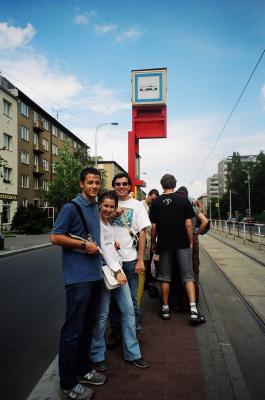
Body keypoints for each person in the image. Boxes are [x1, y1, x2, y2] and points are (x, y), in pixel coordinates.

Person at [50, 167, 106, 400]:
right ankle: (67, 384)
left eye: (97, 183)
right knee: (72, 332)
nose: (94, 186)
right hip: (78, 279)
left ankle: (83, 370)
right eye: (90, 182)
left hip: (94, 277)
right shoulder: (71, 208)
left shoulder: (95, 207)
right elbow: (55, 236)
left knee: (87, 327)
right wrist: (84, 246)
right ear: (81, 184)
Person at [90, 190, 150, 369]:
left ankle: (132, 353)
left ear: (116, 208)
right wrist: (117, 271)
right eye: (105, 206)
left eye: (112, 207)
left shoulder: (107, 223)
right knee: (102, 316)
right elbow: (103, 250)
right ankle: (97, 356)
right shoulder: (96, 222)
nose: (108, 209)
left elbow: (108, 246)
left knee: (129, 310)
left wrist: (113, 244)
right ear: (99, 204)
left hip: (116, 270)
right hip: (106, 272)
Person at [150, 174, 205, 324]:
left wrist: (155, 242)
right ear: (175, 184)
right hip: (182, 244)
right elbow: (188, 224)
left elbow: (153, 227)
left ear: (162, 185)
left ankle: (166, 309)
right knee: (188, 276)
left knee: (165, 277)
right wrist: (190, 241)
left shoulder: (156, 202)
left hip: (164, 244)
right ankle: (193, 311)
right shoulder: (183, 201)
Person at [107, 172, 151, 346]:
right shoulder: (109, 204)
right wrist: (112, 215)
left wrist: (140, 259)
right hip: (112, 261)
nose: (121, 187)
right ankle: (116, 332)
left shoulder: (137, 205)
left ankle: (134, 331)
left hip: (130, 259)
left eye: (124, 183)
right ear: (113, 186)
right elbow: (101, 224)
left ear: (130, 186)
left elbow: (142, 233)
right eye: (117, 184)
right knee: (112, 300)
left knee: (132, 300)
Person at [175, 186, 209, 309]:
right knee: (194, 271)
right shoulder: (193, 208)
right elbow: (205, 221)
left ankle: (182, 303)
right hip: (193, 240)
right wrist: (197, 233)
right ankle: (195, 300)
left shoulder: (176, 207)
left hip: (179, 240)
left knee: (181, 272)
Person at [141, 189, 160, 289]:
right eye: (152, 199)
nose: (153, 201)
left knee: (148, 260)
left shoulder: (152, 207)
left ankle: (148, 279)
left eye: (155, 200)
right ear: (148, 196)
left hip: (150, 238)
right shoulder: (141, 206)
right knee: (144, 261)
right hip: (144, 238)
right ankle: (144, 282)